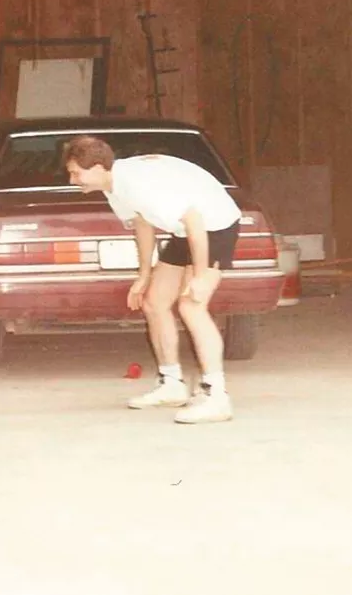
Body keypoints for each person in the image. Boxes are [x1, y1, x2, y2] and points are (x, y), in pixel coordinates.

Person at [62, 136, 241, 424]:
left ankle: (216, 397)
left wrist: (201, 273)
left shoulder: (137, 184)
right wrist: (143, 275)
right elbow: (143, 222)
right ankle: (172, 384)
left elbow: (195, 220)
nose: (73, 180)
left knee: (191, 305)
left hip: (214, 226)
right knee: (154, 301)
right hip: (186, 230)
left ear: (97, 167)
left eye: (76, 173)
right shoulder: (115, 184)